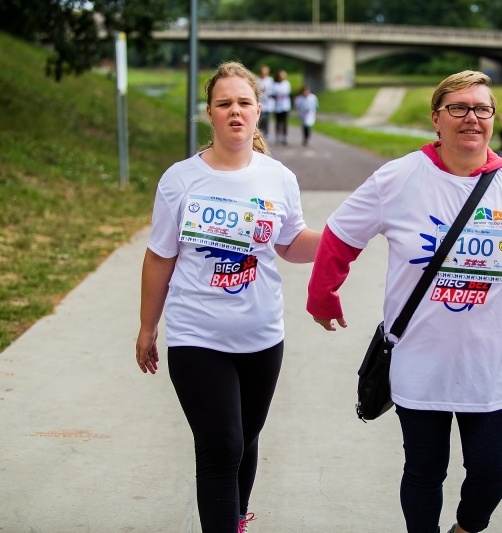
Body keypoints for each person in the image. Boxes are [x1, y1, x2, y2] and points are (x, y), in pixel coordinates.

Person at [306, 70, 502, 533]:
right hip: (419, 361)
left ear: (493, 119)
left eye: (482, 109)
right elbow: (341, 235)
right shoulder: (399, 177)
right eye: (459, 108)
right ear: (436, 118)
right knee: (425, 472)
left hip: (490, 365)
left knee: (493, 470)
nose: (472, 118)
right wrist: (322, 296)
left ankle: (466, 528)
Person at [135, 61, 320, 533]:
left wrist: (344, 238)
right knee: (221, 446)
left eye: (243, 102)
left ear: (258, 111)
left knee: (246, 438)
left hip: (263, 336)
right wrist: (148, 326)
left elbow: (291, 243)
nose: (234, 111)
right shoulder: (180, 179)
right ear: (210, 114)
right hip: (198, 336)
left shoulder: (278, 177)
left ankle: (235, 518)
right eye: (224, 104)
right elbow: (160, 256)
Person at [272, 69, 291, 145]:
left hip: (285, 106)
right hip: (277, 106)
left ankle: (284, 137)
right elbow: (272, 94)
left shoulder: (286, 84)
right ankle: (278, 137)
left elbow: (288, 93)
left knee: (285, 122)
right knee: (278, 122)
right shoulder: (275, 84)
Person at [257, 64, 274, 139]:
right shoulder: (257, 80)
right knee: (260, 118)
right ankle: (259, 132)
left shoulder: (270, 80)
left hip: (267, 102)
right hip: (260, 101)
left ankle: (266, 132)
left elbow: (272, 90)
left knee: (266, 119)